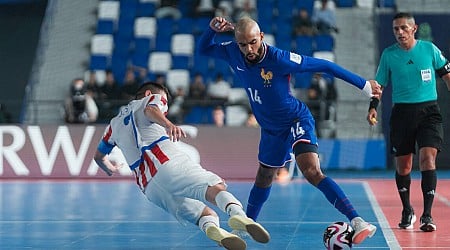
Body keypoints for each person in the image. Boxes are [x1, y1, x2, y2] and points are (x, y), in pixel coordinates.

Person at [197, 16, 381, 245]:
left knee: (311, 171)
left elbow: (325, 66)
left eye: (253, 42)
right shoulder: (233, 51)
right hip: (271, 128)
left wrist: (364, 86)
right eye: (243, 44)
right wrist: (211, 30)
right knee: (264, 176)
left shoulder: (280, 58)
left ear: (261, 36)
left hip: (295, 119)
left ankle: (357, 221)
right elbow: (203, 48)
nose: (248, 49)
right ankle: (246, 224)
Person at [93, 82, 270, 249]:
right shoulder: (151, 99)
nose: (165, 107)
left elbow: (99, 156)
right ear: (148, 93)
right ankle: (239, 215)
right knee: (214, 186)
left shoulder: (113, 125)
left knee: (206, 215)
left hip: (150, 188)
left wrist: (109, 168)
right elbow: (150, 109)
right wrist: (168, 124)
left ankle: (214, 230)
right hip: (167, 163)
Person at [367, 12, 450, 232]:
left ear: (414, 29)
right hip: (402, 113)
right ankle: (407, 210)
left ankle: (428, 216)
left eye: (404, 28)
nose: (400, 33)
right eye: (396, 29)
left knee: (427, 158)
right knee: (404, 166)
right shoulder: (389, 55)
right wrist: (372, 108)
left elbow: (447, 74)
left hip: (429, 112)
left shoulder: (429, 50)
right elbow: (379, 86)